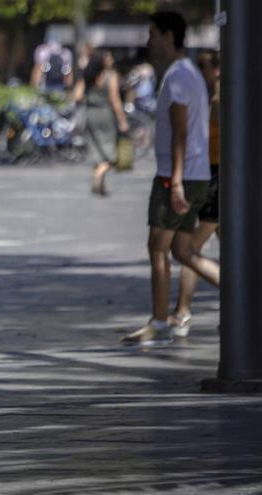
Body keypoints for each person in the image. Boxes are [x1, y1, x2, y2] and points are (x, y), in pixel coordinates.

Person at [120, 12, 220, 345]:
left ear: (167, 36)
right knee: (183, 249)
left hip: (178, 175)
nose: (148, 41)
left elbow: (180, 133)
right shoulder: (187, 73)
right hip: (193, 173)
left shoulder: (177, 77)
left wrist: (174, 180)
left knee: (158, 247)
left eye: (152, 34)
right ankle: (245, 299)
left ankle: (160, 323)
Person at [170, 49, 221, 338]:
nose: (199, 70)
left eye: (203, 65)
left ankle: (183, 312)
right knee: (192, 250)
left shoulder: (221, 100)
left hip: (218, 179)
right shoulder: (205, 98)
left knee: (186, 249)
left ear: (217, 69)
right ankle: (182, 311)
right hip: (208, 177)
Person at [76, 49, 130, 196]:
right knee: (112, 153)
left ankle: (100, 186)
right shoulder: (110, 76)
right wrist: (122, 120)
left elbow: (77, 96)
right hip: (105, 114)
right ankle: (99, 174)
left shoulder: (88, 76)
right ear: (103, 61)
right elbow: (115, 100)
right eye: (109, 58)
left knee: (96, 149)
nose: (111, 60)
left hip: (90, 113)